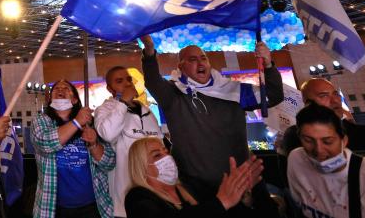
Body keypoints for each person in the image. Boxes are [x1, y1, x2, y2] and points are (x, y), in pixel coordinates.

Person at [141, 35, 283, 203]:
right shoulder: (174, 94)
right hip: (197, 191)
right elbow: (152, 81)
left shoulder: (233, 91)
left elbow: (273, 95)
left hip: (244, 185)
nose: (200, 63)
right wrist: (149, 51)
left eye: (203, 58)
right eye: (193, 59)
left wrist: (267, 64)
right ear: (181, 66)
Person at [286, 104, 365, 218]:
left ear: (344, 140)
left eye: (328, 141)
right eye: (308, 140)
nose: (319, 150)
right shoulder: (296, 160)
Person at [124, 137, 270, 217]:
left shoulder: (192, 185)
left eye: (166, 151)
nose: (167, 157)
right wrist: (221, 202)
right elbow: (218, 206)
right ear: (141, 167)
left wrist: (242, 196)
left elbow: (224, 210)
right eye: (157, 155)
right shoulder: (137, 198)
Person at [32, 79, 116, 218]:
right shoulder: (41, 120)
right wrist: (77, 122)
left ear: (75, 99)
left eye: (66, 88)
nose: (60, 90)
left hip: (94, 205)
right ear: (49, 99)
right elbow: (45, 143)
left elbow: (109, 163)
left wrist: (94, 144)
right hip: (54, 208)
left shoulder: (91, 123)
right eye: (56, 88)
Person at [279, 78, 365, 166]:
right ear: (307, 104)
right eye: (324, 96)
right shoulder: (295, 137)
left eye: (336, 94)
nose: (335, 100)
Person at [95, 66, 162, 217]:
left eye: (129, 79)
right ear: (110, 88)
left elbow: (159, 143)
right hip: (125, 196)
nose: (127, 84)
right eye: (120, 81)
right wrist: (123, 102)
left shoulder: (146, 110)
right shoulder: (105, 110)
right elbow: (107, 134)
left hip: (155, 191)